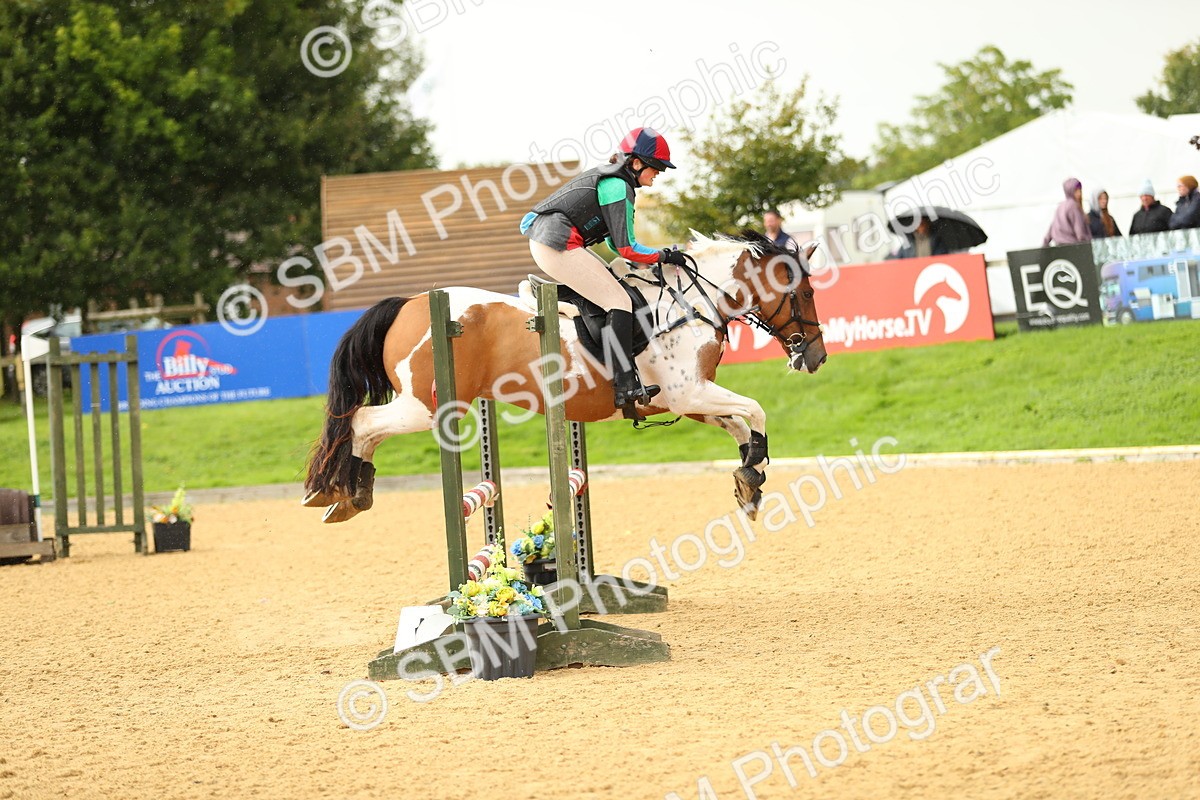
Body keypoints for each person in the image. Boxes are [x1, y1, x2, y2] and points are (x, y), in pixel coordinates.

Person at [520, 126, 686, 414]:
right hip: (558, 244)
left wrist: (654, 257)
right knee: (619, 301)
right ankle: (625, 385)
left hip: (554, 242)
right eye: (657, 167)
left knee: (612, 282)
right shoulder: (618, 186)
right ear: (636, 163)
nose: (659, 174)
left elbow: (613, 241)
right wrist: (664, 255)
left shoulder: (615, 180)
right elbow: (627, 249)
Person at [1042, 177, 1092, 246]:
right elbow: (1080, 232)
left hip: (1059, 247)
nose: (1079, 193)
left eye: (1080, 190)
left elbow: (1052, 227)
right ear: (1070, 191)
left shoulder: (1060, 206)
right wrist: (1086, 245)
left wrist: (1045, 243)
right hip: (1073, 247)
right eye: (1076, 190)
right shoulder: (1073, 206)